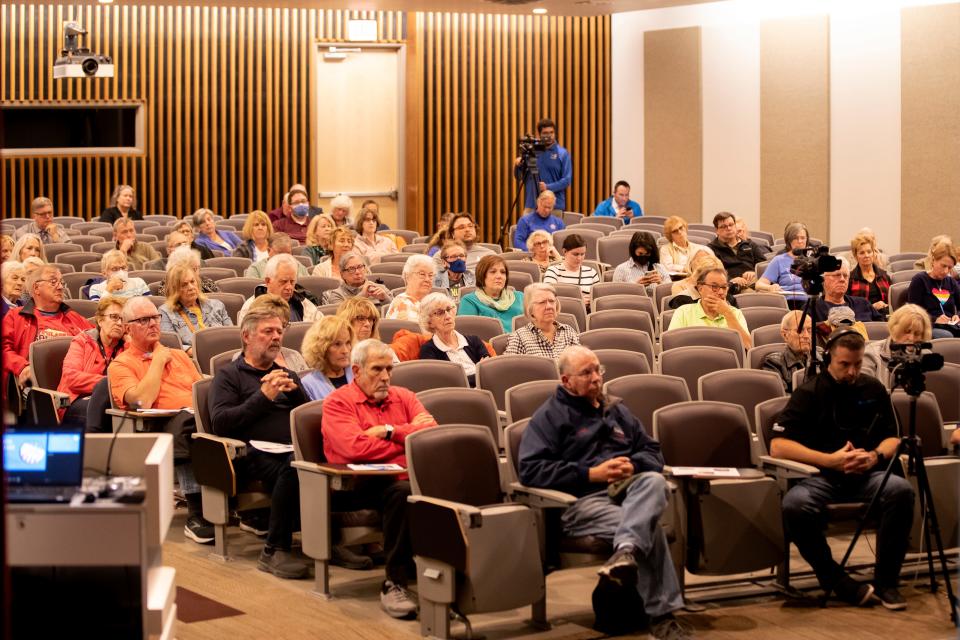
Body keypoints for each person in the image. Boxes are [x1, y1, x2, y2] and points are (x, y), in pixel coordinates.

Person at [518, 345, 689, 640]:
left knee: (655, 481)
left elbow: (652, 452)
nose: (596, 378)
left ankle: (624, 551)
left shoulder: (616, 409)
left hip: (629, 493)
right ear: (566, 381)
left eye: (599, 370)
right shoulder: (549, 417)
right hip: (581, 502)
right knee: (650, 529)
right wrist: (590, 473)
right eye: (586, 373)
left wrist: (633, 465)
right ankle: (662, 618)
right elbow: (531, 470)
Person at [772, 329, 914, 610]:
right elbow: (778, 446)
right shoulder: (809, 393)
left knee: (901, 491)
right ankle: (836, 580)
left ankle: (887, 582)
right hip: (821, 476)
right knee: (794, 506)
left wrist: (874, 456)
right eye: (845, 365)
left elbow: (893, 438)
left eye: (858, 364)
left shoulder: (873, 389)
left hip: (866, 473)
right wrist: (828, 460)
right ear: (828, 361)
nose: (852, 371)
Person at [321, 339, 438, 618]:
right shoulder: (338, 402)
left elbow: (430, 434)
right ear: (356, 370)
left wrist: (387, 430)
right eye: (377, 369)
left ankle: (450, 571)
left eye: (389, 369)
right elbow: (354, 449)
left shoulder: (404, 396)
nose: (385, 377)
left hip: (402, 478)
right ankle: (394, 583)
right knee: (402, 493)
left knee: (436, 482)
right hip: (355, 485)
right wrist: (406, 440)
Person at [207, 299, 311, 578]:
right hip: (251, 453)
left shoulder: (287, 374)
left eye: (279, 331)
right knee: (294, 467)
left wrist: (296, 395)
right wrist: (263, 397)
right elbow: (221, 424)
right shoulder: (229, 376)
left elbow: (307, 416)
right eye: (268, 331)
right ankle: (274, 550)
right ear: (246, 336)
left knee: (318, 461)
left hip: (292, 447)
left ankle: (328, 538)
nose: (276, 336)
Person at [108, 297, 212, 544]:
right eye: (143, 320)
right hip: (157, 427)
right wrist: (156, 361)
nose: (153, 324)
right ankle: (197, 515)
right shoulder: (121, 364)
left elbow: (200, 390)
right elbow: (141, 400)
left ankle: (244, 507)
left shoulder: (179, 355)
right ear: (127, 328)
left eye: (155, 318)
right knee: (189, 427)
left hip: (194, 417)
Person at [2, 265, 91, 387]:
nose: (60, 287)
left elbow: (97, 343)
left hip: (76, 381)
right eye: (53, 282)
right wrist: (22, 367)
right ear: (36, 288)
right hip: (36, 385)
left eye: (61, 283)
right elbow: (4, 349)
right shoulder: (16, 316)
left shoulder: (74, 317)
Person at [57, 296, 127, 424]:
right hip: (77, 400)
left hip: (114, 401)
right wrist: (108, 384)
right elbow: (71, 377)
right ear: (100, 320)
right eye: (114, 317)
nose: (119, 323)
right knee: (107, 413)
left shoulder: (126, 347)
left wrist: (131, 343)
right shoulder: (82, 341)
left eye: (123, 319)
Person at [666, 265, 752, 348]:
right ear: (700, 288)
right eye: (714, 287)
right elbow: (672, 346)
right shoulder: (683, 312)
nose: (721, 292)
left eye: (724, 287)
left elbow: (748, 346)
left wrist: (727, 314)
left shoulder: (734, 313)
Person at [418, 293, 493, 386]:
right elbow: (445, 384)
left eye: (449, 310)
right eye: (440, 313)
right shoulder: (428, 350)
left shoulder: (474, 341)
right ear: (429, 322)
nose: (448, 316)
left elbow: (489, 373)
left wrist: (463, 378)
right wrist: (477, 375)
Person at [159, 263, 233, 356]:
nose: (191, 287)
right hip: (192, 361)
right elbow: (171, 346)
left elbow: (232, 336)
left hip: (223, 355)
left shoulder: (217, 305)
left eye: (192, 281)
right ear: (174, 289)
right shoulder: (166, 312)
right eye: (184, 285)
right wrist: (201, 354)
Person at [862, 304, 932, 390]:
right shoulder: (871, 354)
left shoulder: (926, 355)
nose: (911, 338)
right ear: (895, 329)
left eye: (917, 334)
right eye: (907, 331)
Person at [238, 254, 320, 325]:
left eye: (292, 282)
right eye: (283, 282)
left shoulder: (306, 306)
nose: (289, 287)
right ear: (268, 281)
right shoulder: (250, 308)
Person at [505, 283, 579, 359]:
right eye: (542, 302)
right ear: (530, 309)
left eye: (551, 301)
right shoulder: (518, 338)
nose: (549, 306)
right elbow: (509, 369)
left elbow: (581, 365)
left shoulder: (568, 331)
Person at [514, 117, 572, 211]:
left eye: (551, 132)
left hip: (553, 207)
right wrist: (518, 165)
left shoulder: (563, 153)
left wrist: (548, 187)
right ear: (539, 134)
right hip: (532, 205)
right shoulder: (531, 152)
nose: (549, 136)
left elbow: (567, 180)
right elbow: (519, 177)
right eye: (545, 133)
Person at [906, 240, 960, 338]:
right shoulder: (920, 280)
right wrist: (935, 319)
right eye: (943, 266)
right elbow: (913, 313)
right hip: (927, 326)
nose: (946, 271)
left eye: (950, 268)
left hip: (950, 325)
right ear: (933, 260)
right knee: (946, 335)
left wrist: (958, 317)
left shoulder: (951, 282)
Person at [459, 254, 524, 333]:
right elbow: (468, 334)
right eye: (493, 272)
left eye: (503, 272)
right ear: (482, 275)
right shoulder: (470, 301)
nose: (499, 276)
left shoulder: (520, 297)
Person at [756, 222, 810, 309]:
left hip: (809, 300)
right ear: (789, 240)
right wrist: (770, 287)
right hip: (789, 302)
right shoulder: (779, 260)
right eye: (796, 238)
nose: (800, 241)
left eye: (803, 238)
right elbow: (759, 284)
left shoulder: (812, 260)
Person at [301, 315, 355, 401]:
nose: (345, 351)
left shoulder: (359, 374)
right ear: (321, 348)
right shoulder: (308, 384)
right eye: (337, 344)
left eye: (348, 343)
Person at [706, 212, 765, 288]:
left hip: (754, 281)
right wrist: (731, 280)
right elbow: (711, 273)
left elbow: (763, 265)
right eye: (723, 226)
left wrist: (754, 272)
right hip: (730, 286)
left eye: (731, 225)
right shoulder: (711, 249)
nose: (729, 228)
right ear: (717, 230)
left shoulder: (750, 244)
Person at [760, 310, 814, 392]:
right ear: (785, 335)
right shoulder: (773, 363)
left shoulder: (821, 357)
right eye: (800, 331)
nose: (806, 336)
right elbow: (781, 398)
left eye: (809, 330)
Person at [817, 257, 882, 323]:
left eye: (845, 276)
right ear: (823, 279)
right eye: (837, 275)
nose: (842, 279)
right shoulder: (813, 309)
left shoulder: (863, 304)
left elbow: (884, 328)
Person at [543, 233, 600, 306]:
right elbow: (547, 298)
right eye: (575, 254)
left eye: (582, 254)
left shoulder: (592, 272)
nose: (579, 258)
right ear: (564, 251)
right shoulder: (553, 271)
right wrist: (577, 302)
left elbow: (597, 299)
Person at [322, 252, 393, 308]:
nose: (357, 272)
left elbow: (396, 312)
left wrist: (385, 298)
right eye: (351, 269)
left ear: (365, 269)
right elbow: (342, 316)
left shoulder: (380, 289)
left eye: (360, 267)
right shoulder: (337, 295)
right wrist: (362, 296)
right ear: (342, 274)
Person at [847, 230, 891, 318]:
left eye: (869, 251)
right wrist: (872, 307)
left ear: (874, 253)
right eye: (862, 253)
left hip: (885, 318)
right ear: (856, 256)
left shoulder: (884, 276)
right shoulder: (850, 279)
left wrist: (886, 305)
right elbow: (848, 307)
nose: (866, 255)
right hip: (862, 320)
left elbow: (892, 302)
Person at [384, 254, 436, 322]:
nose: (427, 279)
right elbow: (418, 330)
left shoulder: (432, 302)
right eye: (422, 274)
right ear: (407, 276)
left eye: (431, 275)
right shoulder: (402, 304)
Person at [156, 246, 221, 296]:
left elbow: (219, 299)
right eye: (193, 269)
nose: (197, 272)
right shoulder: (167, 287)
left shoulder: (206, 281)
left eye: (197, 268)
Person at [243, 233, 310, 279]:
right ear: (269, 251)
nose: (284, 258)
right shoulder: (255, 269)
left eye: (288, 253)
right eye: (280, 253)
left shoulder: (300, 268)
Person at [433, 240, 475, 304]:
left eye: (461, 256)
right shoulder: (435, 280)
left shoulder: (474, 278)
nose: (459, 259)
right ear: (444, 262)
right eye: (454, 256)